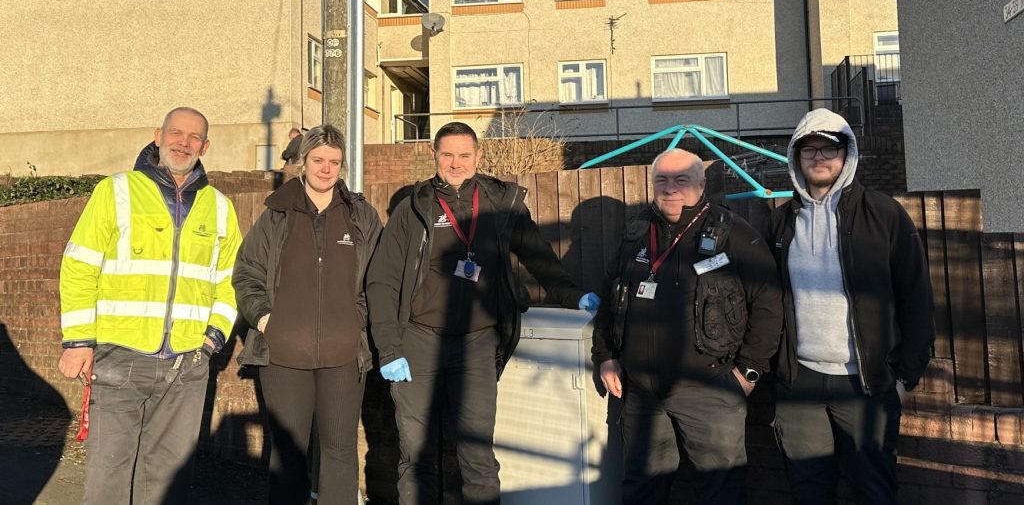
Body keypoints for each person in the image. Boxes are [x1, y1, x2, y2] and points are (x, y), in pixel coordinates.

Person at [366, 121, 600, 505]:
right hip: (419, 341)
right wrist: (389, 349)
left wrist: (573, 297)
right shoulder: (415, 208)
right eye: (447, 155)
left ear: (478, 156)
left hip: (477, 343)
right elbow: (382, 281)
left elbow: (539, 258)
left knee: (477, 454)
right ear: (434, 155)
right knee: (416, 453)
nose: (455, 163)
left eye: (464, 155)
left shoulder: (501, 204)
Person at [58, 107, 241, 504]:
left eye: (194, 137)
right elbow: (79, 266)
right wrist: (77, 340)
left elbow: (230, 283)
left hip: (187, 364)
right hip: (120, 356)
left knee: (168, 477)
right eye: (176, 133)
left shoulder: (220, 207)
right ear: (158, 135)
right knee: (108, 473)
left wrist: (211, 341)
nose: (184, 142)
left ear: (205, 146)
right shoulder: (116, 190)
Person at [592, 148, 782, 505]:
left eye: (682, 179)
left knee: (721, 493)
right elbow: (611, 296)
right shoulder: (636, 233)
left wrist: (749, 372)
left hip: (711, 388)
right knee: (642, 490)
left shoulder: (734, 234)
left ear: (701, 184)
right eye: (662, 179)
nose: (670, 188)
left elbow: (769, 305)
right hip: (642, 393)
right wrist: (605, 356)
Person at [767, 108, 934, 504]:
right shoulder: (780, 223)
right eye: (809, 149)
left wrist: (905, 377)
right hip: (800, 380)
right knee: (808, 490)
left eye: (829, 148)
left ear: (847, 155)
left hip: (866, 382)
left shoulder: (884, 214)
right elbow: (768, 301)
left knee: (873, 490)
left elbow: (917, 296)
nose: (819, 158)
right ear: (795, 157)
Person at [232, 124, 382, 504]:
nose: (326, 168)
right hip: (283, 357)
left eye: (334, 161)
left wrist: (358, 322)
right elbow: (246, 272)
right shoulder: (276, 214)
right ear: (304, 162)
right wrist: (267, 320)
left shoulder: (360, 216)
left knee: (340, 451)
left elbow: (377, 278)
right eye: (318, 160)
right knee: (288, 455)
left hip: (344, 357)